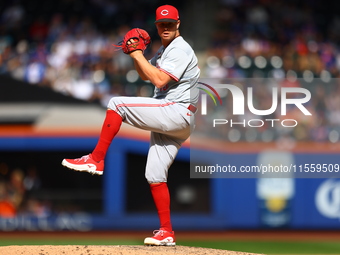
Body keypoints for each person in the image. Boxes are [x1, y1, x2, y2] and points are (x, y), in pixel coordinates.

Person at [62, 4, 200, 246]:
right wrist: (138, 55)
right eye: (161, 24)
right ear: (157, 26)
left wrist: (137, 53)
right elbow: (147, 74)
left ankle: (96, 158)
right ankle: (167, 231)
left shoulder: (180, 48)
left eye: (170, 23)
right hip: (176, 118)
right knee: (155, 174)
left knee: (117, 104)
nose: (165, 27)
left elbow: (159, 79)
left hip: (176, 111)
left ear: (178, 24)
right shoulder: (166, 50)